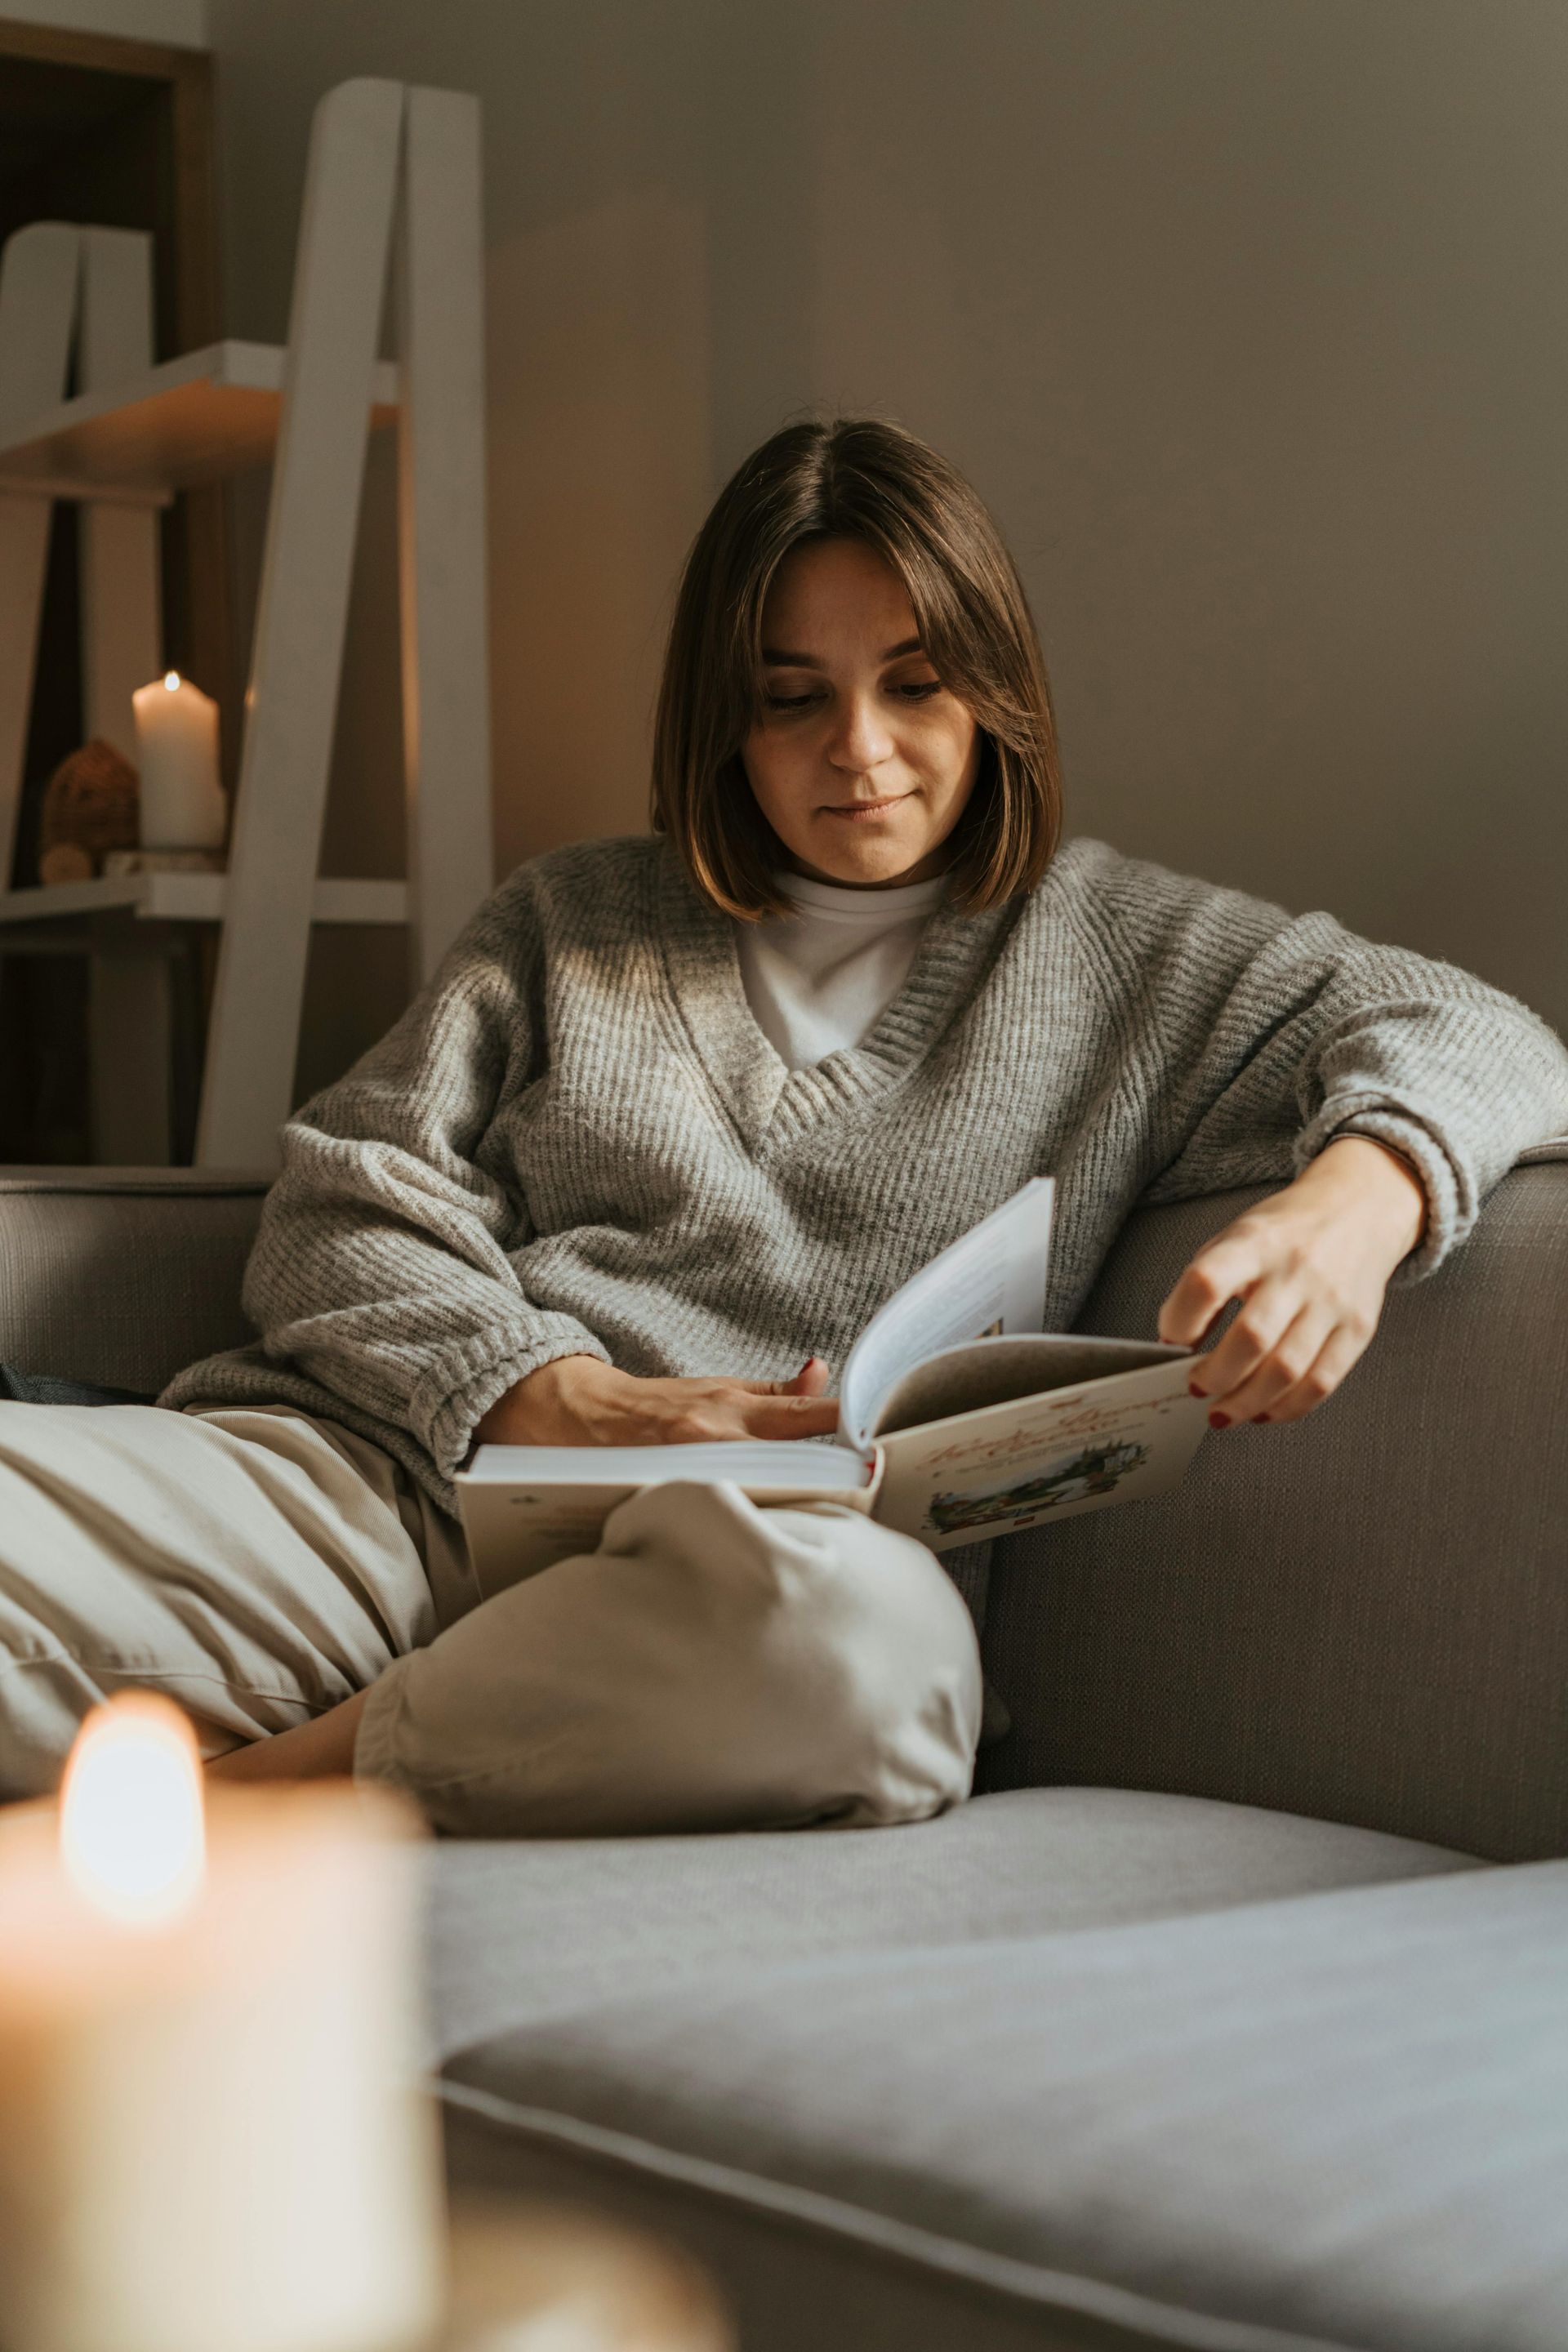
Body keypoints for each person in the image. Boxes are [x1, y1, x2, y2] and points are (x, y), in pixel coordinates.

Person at [3, 416, 1566, 1835]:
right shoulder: (573, 916)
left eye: (915, 681)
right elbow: (342, 1208)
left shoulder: (1125, 955)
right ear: (723, 722)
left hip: (749, 1590)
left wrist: (1355, 1208)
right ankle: (402, 1745)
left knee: (878, 1672)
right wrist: (576, 1402)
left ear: (994, 688)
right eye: (791, 698)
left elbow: (1487, 1034)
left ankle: (255, 1796)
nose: (860, 750)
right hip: (386, 1504)